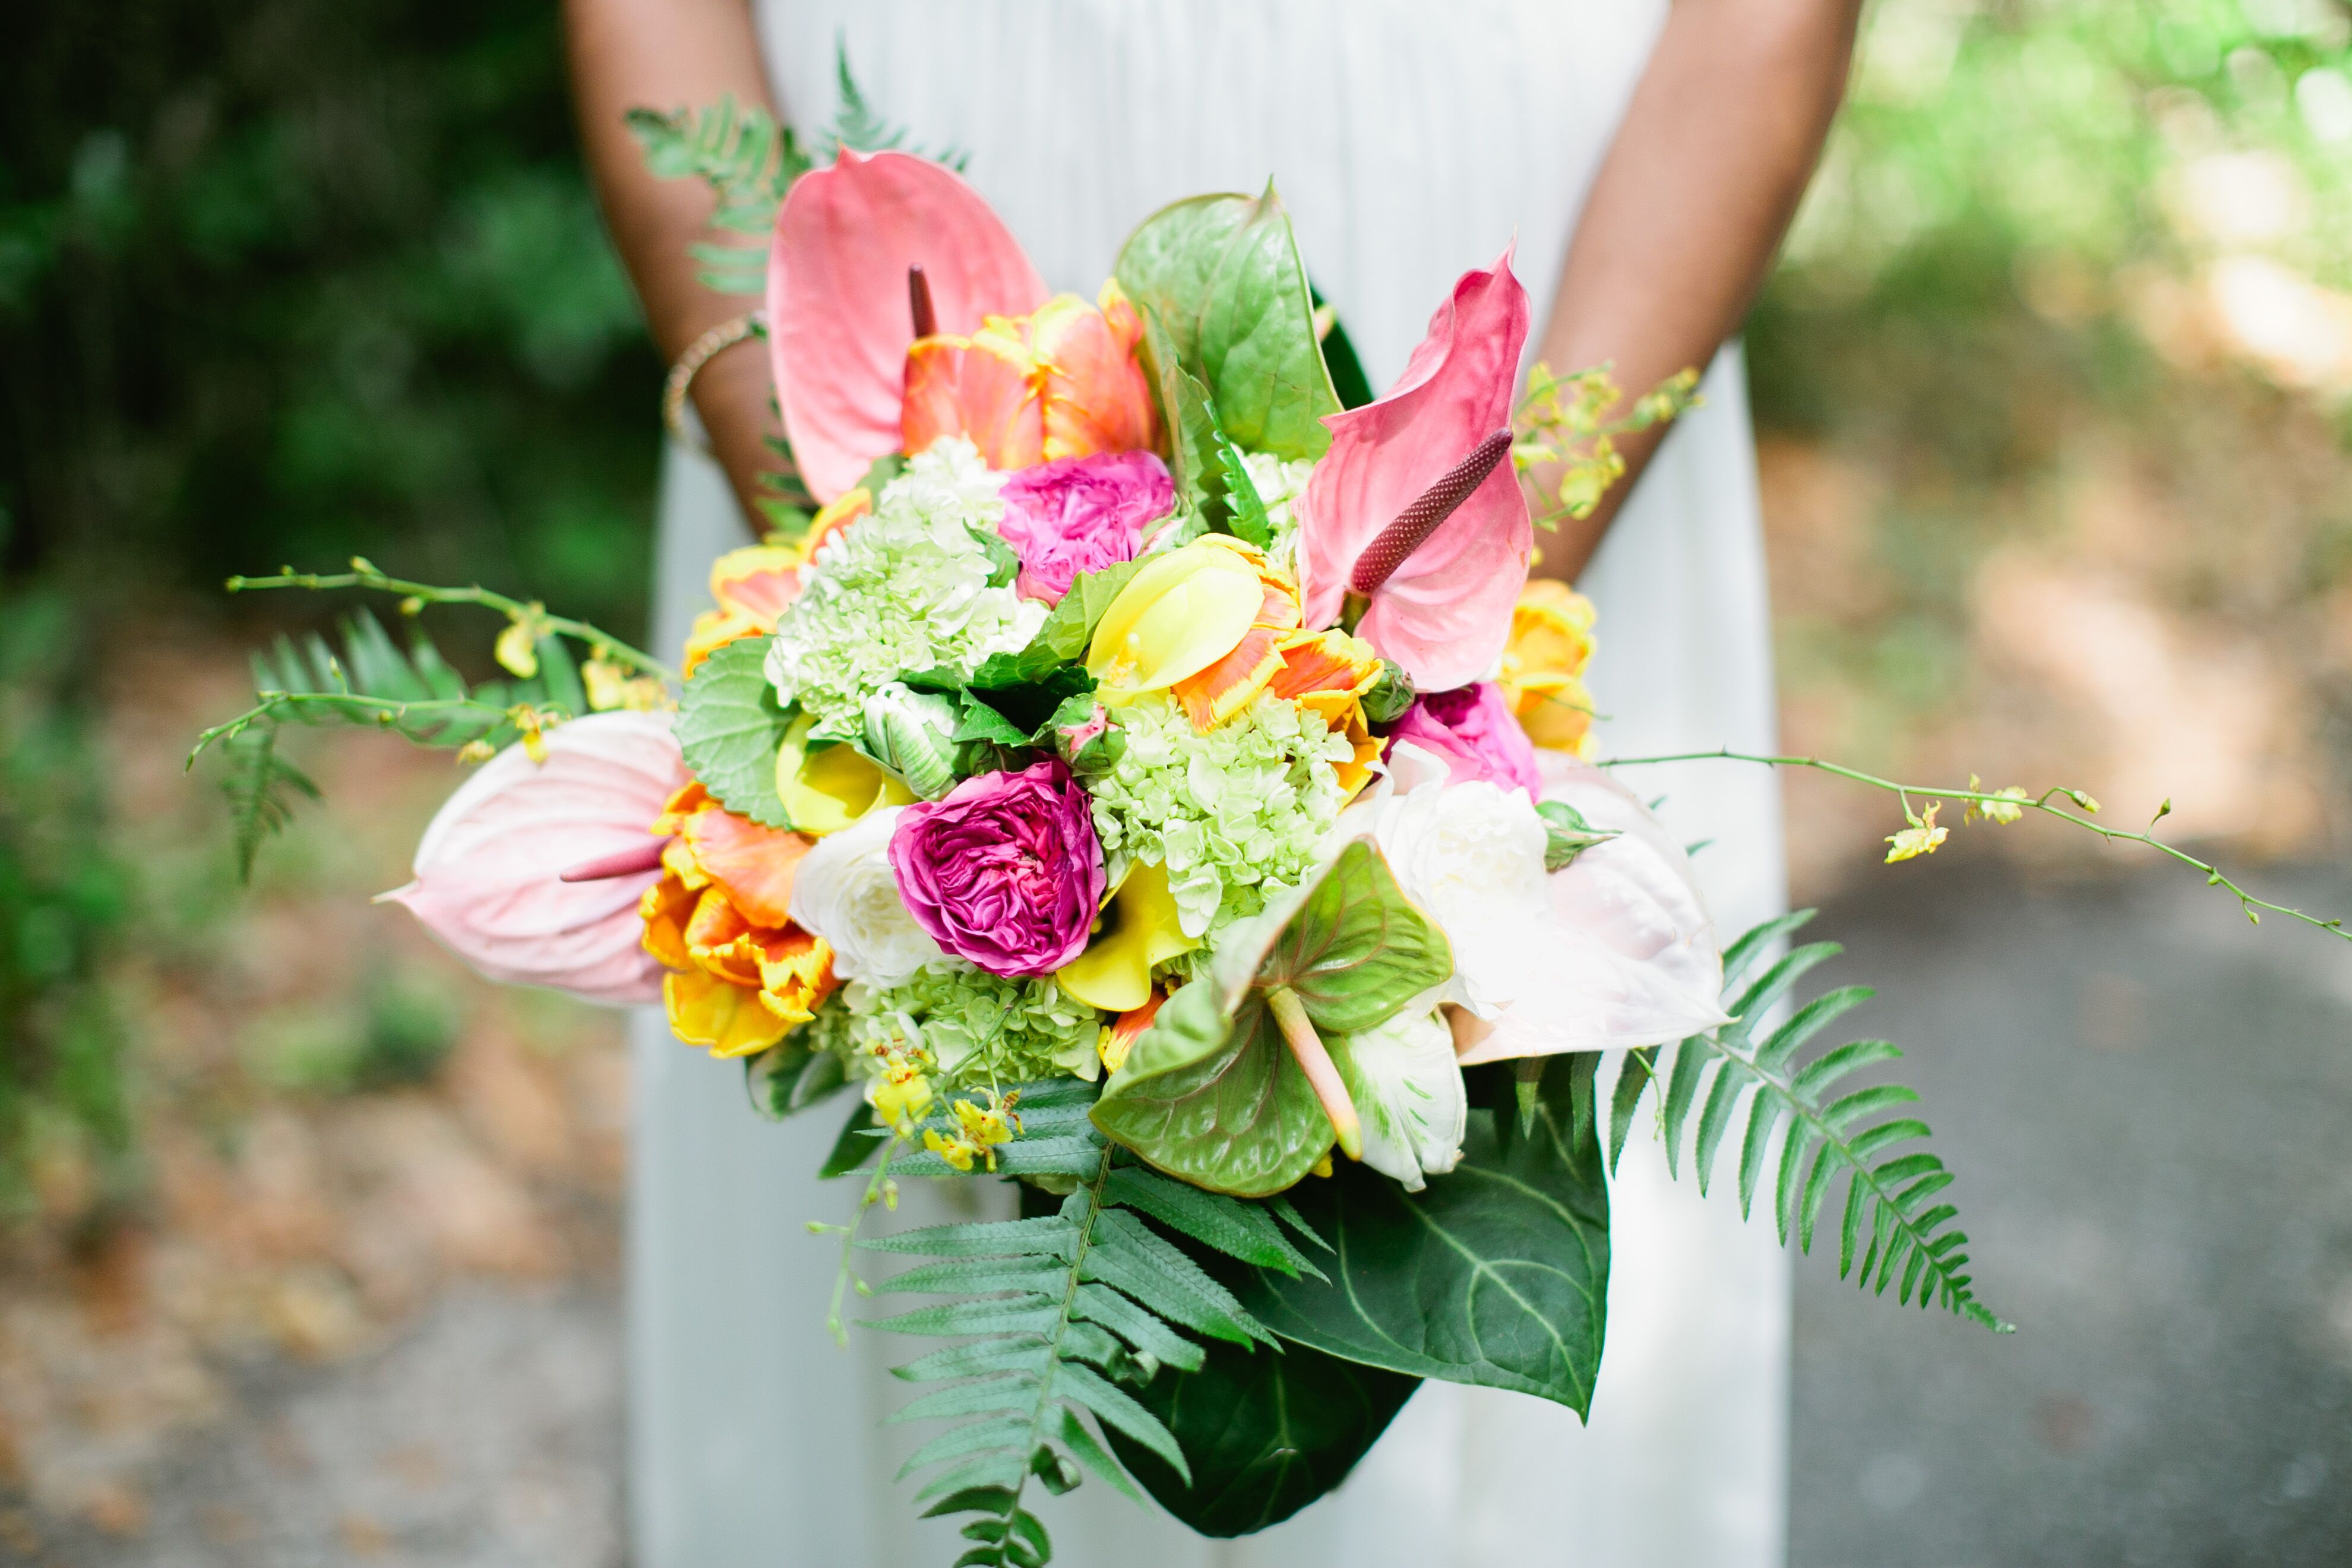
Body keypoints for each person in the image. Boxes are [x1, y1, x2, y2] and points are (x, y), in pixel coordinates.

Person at [564, 2, 1862, 1563]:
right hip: (904, 316)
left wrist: (1430, 645)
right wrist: (879, 598)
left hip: (1538, 257)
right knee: (915, 1286)